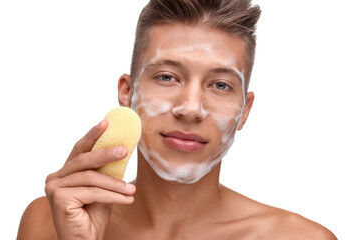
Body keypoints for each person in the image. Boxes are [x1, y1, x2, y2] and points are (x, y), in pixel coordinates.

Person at [17, 0, 337, 239]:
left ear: (245, 110)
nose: (191, 108)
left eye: (220, 85)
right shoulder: (49, 222)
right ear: (127, 93)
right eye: (168, 77)